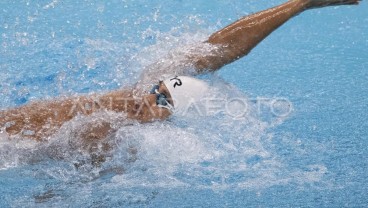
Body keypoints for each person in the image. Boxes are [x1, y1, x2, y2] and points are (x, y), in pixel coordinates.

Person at [0, 0, 361, 141]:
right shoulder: (114, 117)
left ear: (172, 118)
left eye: (162, 101)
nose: (150, 101)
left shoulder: (119, 125)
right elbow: (218, 48)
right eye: (158, 91)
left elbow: (225, 50)